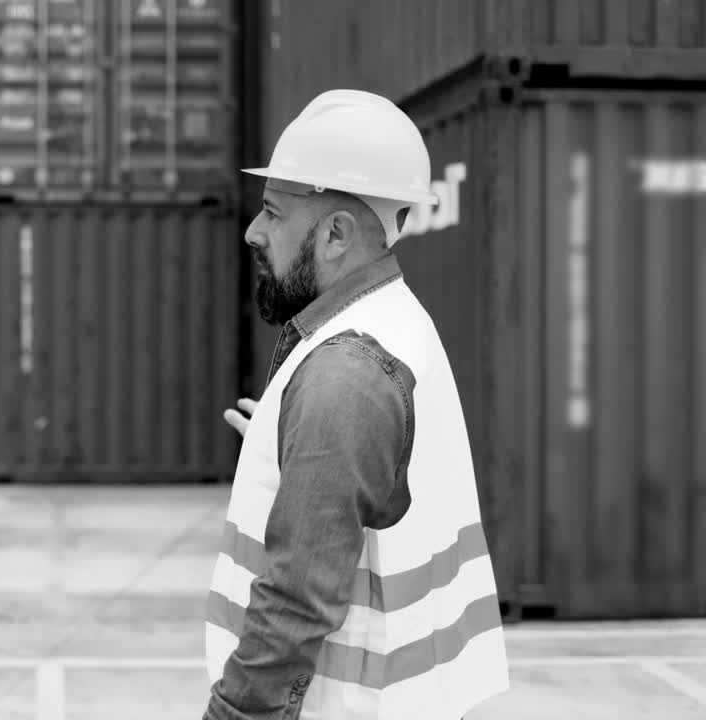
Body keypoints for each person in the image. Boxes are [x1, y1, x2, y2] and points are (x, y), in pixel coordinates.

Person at [204, 89, 510, 719]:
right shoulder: (396, 324)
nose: (253, 231)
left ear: (336, 234)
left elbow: (294, 604)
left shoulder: (345, 377)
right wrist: (295, 445)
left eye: (273, 212)